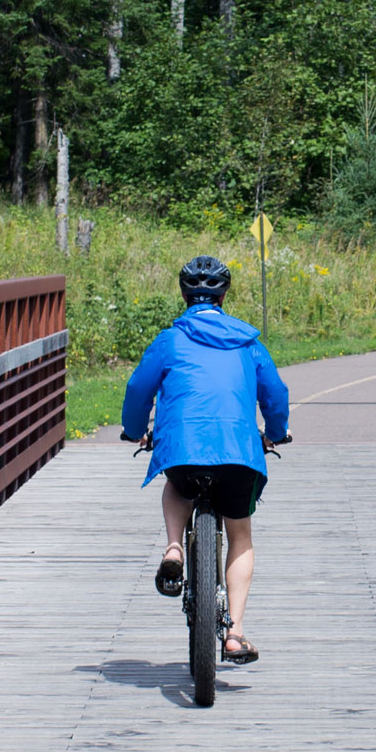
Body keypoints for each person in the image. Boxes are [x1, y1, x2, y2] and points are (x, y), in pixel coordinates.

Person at [121, 254, 290, 664]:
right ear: (224, 295)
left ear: (183, 295)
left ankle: (174, 549)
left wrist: (134, 428)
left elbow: (138, 389)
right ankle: (236, 633)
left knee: (177, 484)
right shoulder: (249, 341)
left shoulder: (169, 340)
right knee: (240, 535)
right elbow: (276, 395)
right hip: (238, 452)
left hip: (182, 448)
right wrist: (274, 433)